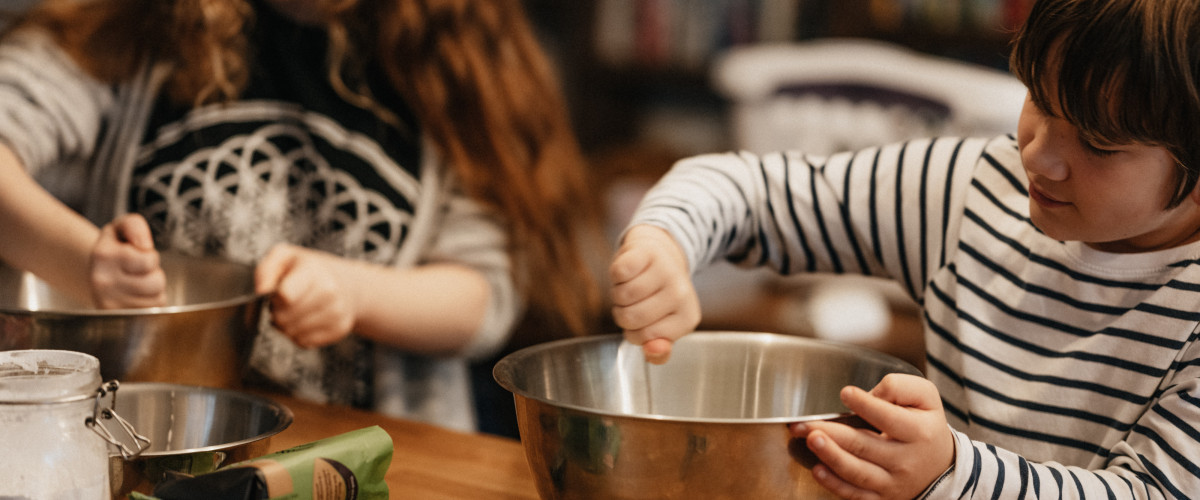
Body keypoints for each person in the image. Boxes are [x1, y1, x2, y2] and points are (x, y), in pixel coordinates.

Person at [609, 0, 1200, 497]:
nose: (1037, 156)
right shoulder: (974, 190)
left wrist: (951, 474)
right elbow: (751, 191)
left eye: (1096, 143)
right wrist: (666, 241)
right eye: (1040, 101)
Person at [0, 0, 601, 432]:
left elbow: (484, 299)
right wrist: (84, 263)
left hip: (364, 456)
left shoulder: (455, 63)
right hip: (134, 439)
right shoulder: (131, 25)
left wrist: (354, 291)